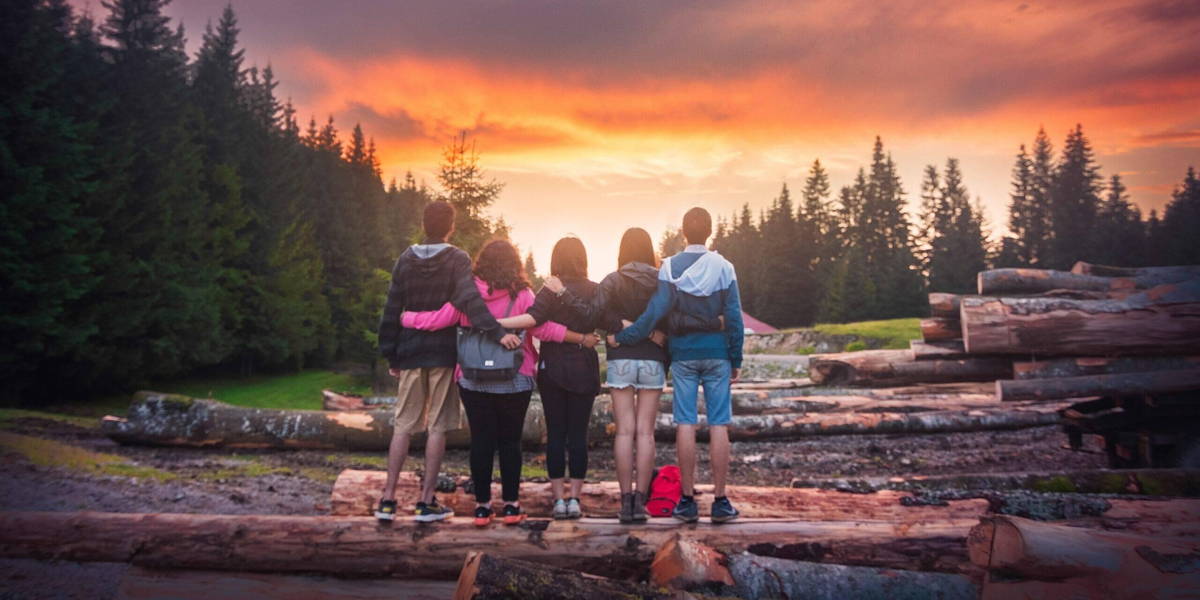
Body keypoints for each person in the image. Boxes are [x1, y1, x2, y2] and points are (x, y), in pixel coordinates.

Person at [401, 239, 599, 527]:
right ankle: (511, 506)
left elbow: (438, 319)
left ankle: (482, 507)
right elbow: (542, 328)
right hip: (515, 378)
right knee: (510, 443)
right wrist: (580, 338)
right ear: (514, 264)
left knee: (481, 442)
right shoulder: (523, 294)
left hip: (473, 378)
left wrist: (404, 317)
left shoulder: (466, 294)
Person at [545, 228, 722, 523]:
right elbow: (671, 318)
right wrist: (652, 333)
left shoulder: (613, 280)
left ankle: (625, 501)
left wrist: (620, 327)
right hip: (652, 360)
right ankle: (641, 502)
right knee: (645, 433)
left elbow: (595, 315)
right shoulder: (661, 279)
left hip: (621, 359)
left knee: (625, 431)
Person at [375, 201, 522, 523]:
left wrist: (391, 351)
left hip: (411, 352)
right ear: (450, 226)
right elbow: (470, 301)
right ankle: (425, 502)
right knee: (437, 428)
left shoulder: (405, 259)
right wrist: (497, 332)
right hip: (443, 354)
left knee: (402, 426)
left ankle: (387, 500)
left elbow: (392, 307)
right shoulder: (457, 259)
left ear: (425, 224)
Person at [614, 207, 744, 524]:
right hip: (717, 355)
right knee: (718, 424)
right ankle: (721, 500)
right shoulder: (724, 266)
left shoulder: (669, 267)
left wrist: (627, 335)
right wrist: (736, 359)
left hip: (684, 355)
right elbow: (735, 317)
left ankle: (686, 501)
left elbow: (656, 312)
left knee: (685, 423)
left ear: (684, 233)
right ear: (709, 232)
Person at [526, 237, 602, 520]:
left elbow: (534, 323)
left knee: (556, 434)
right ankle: (575, 499)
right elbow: (599, 317)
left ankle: (559, 499)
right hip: (583, 365)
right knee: (578, 435)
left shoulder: (548, 290)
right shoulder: (594, 290)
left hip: (552, 367)